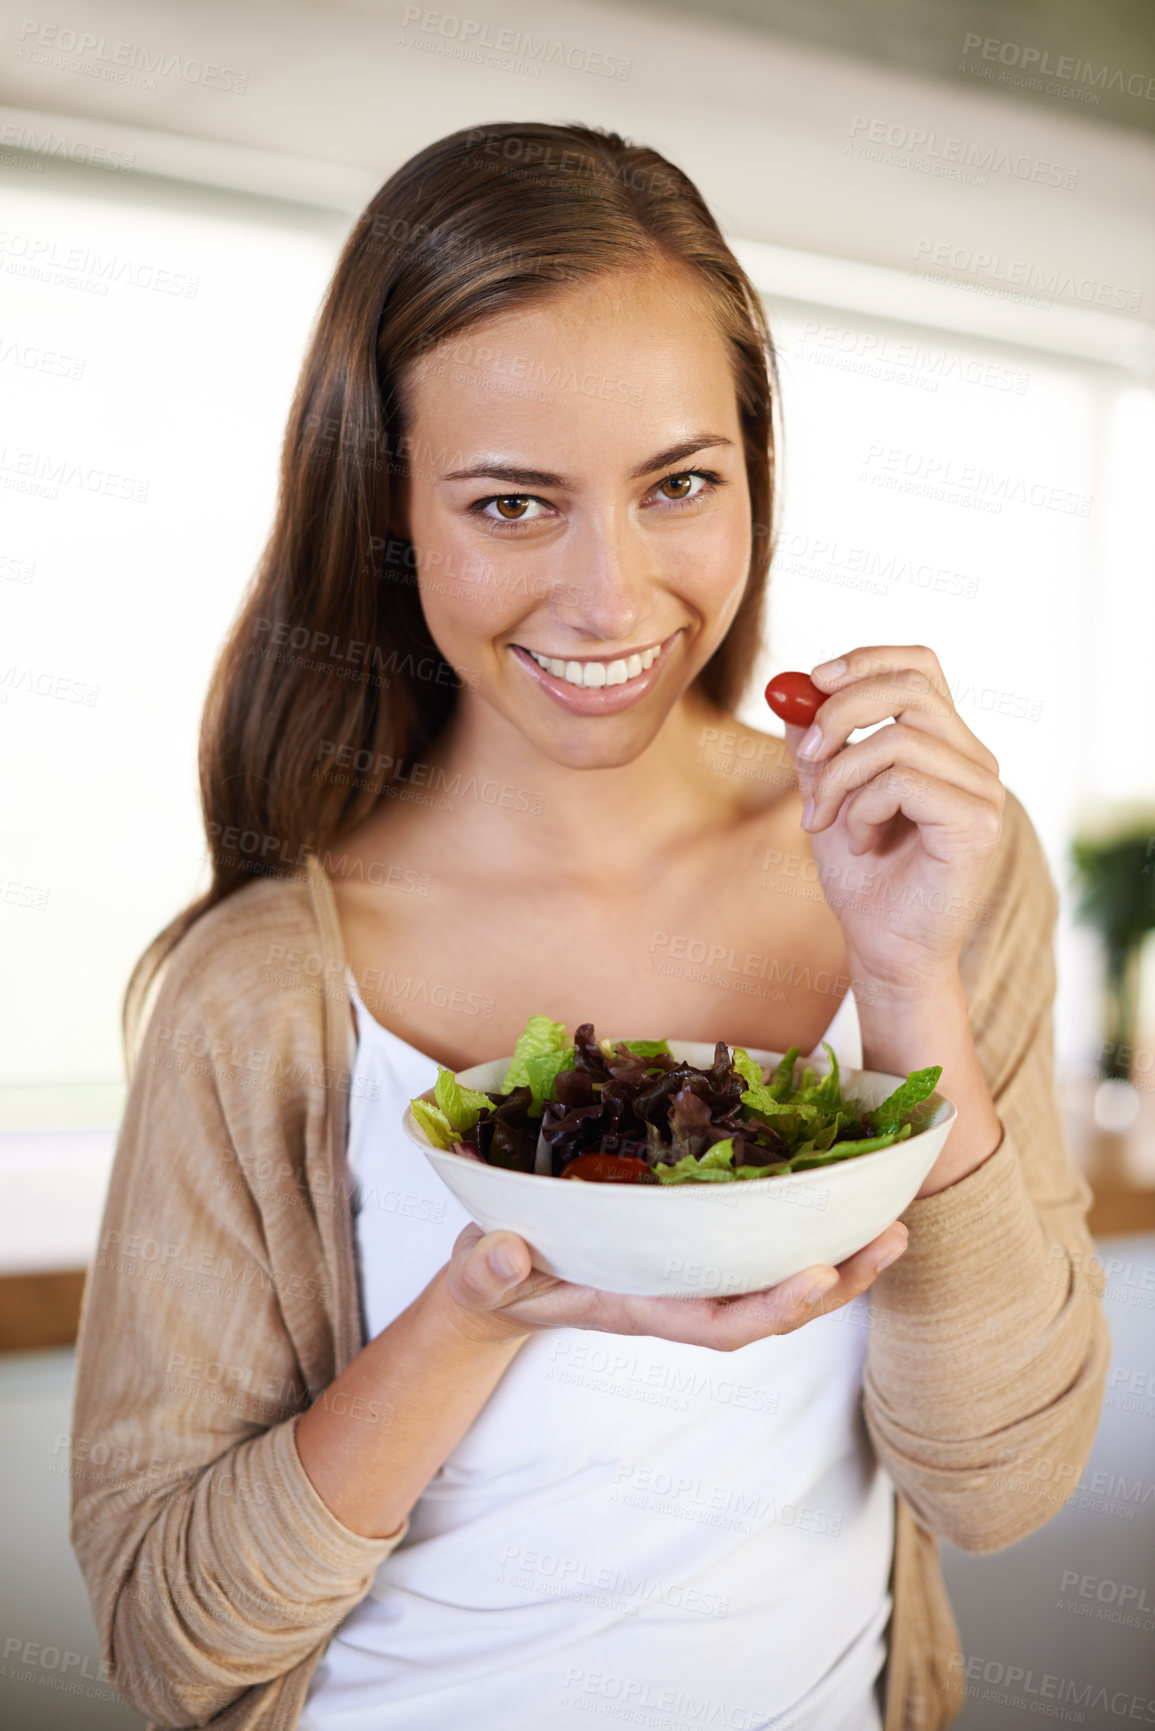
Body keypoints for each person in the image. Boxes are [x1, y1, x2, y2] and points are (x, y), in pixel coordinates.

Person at [69, 122, 1110, 1731]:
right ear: (392, 509)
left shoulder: (926, 866)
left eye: (679, 483)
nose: (614, 602)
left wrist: (907, 988)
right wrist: (489, 1300)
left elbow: (999, 1485)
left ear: (754, 469)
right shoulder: (264, 989)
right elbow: (169, 1642)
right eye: (512, 505)